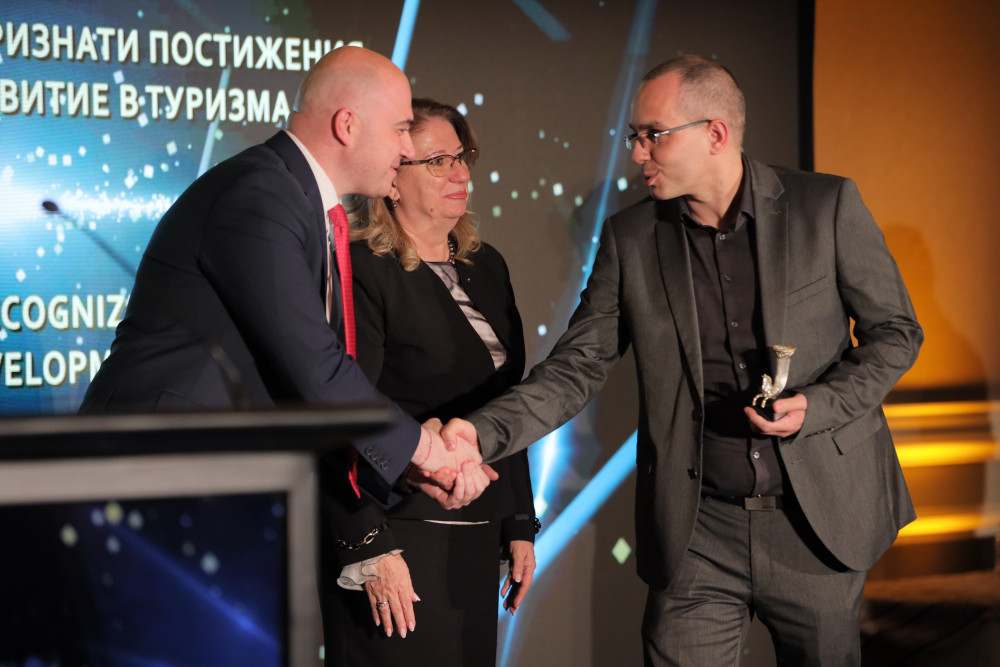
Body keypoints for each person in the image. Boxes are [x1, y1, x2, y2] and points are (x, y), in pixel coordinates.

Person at [443, 55, 923, 666]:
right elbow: (577, 366)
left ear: (715, 133)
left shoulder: (824, 206)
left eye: (653, 135)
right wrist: (478, 433)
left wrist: (818, 405)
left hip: (816, 523)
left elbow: (896, 334)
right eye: (634, 136)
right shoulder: (631, 238)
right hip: (698, 532)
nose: (637, 153)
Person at [78, 47, 492, 507]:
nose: (407, 148)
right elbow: (315, 367)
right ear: (348, 126)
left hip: (207, 474)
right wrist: (427, 451)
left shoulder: (297, 199)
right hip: (156, 466)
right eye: (400, 129)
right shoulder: (261, 196)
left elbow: (305, 385)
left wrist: (407, 463)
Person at [321, 98, 538, 666]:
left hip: (477, 531)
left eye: (462, 157)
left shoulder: (486, 265)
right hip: (399, 532)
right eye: (438, 161)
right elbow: (340, 414)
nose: (460, 173)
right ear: (393, 178)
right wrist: (369, 543)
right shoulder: (361, 268)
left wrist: (519, 519)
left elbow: (509, 402)